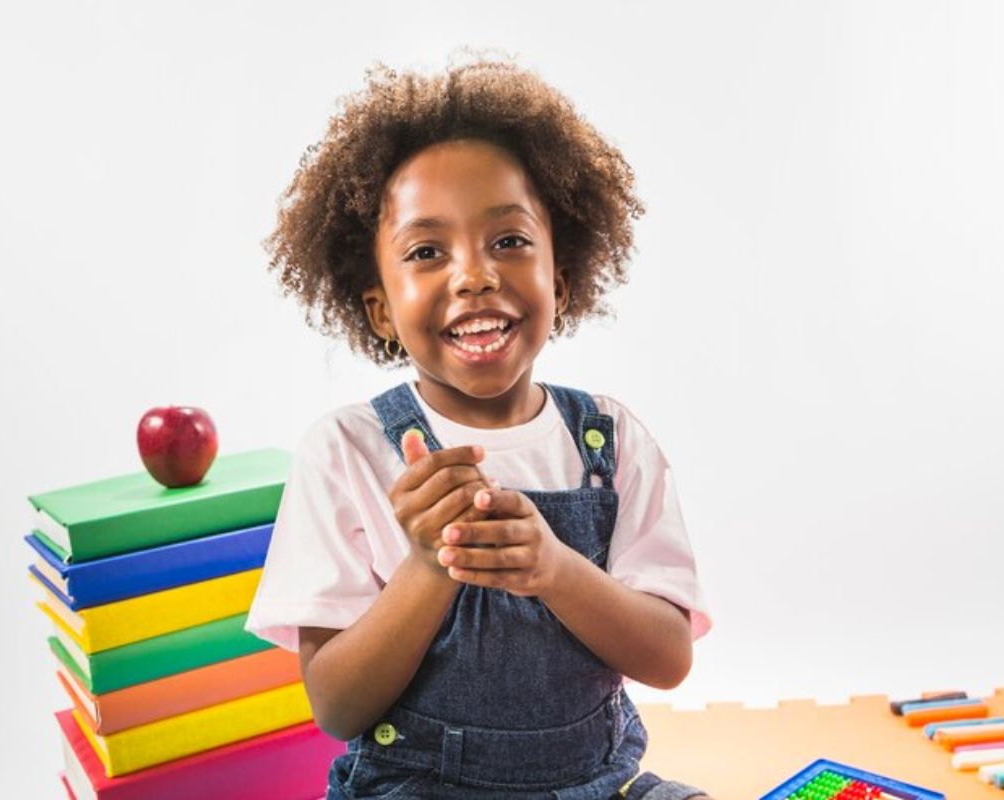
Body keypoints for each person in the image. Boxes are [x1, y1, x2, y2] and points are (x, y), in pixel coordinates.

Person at [245, 57, 713, 799]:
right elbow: (337, 706)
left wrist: (556, 571)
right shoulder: (347, 451)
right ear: (378, 308)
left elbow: (667, 657)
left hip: (595, 783)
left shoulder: (612, 440)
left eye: (509, 241)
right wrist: (430, 564)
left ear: (560, 279)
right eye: (427, 252)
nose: (474, 275)